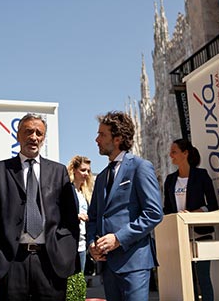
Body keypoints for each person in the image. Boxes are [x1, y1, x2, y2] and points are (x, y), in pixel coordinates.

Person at [0, 113, 79, 301]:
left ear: (43, 138)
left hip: (50, 262)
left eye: (39, 133)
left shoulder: (58, 172)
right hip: (11, 262)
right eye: (28, 132)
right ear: (18, 135)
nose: (34, 137)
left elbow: (70, 219)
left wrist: (66, 253)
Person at [87, 111, 163, 301]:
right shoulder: (102, 176)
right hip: (107, 265)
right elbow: (94, 217)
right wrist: (91, 244)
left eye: (102, 134)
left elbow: (153, 213)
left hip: (134, 262)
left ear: (118, 138)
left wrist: (119, 238)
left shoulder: (140, 167)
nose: (96, 139)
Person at [163, 138, 219, 301]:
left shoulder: (201, 175)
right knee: (186, 280)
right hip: (180, 236)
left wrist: (194, 213)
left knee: (203, 278)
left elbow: (213, 204)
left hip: (201, 233)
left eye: (174, 151)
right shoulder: (170, 180)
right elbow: (168, 209)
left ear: (185, 153)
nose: (170, 155)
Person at [67, 155, 94, 272]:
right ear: (74, 170)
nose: (86, 174)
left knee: (79, 283)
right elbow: (57, 213)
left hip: (82, 245)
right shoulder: (67, 189)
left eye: (88, 171)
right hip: (69, 243)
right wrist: (76, 216)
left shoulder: (85, 194)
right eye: (83, 170)